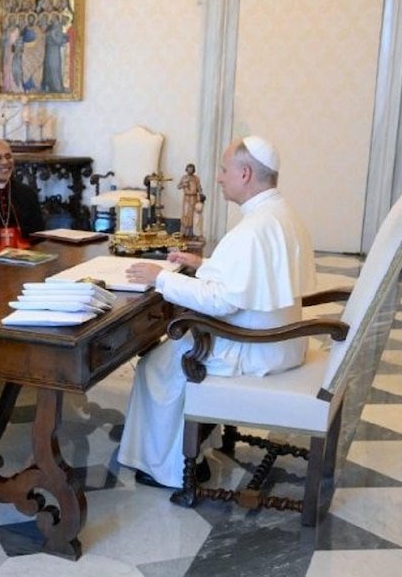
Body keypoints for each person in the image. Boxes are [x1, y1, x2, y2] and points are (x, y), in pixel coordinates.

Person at [117, 136, 316, 490]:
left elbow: (221, 302)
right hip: (281, 340)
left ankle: (171, 469)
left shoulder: (252, 229)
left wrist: (160, 277)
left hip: (253, 346)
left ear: (245, 173)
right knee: (168, 355)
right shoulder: (281, 211)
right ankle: (194, 446)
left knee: (156, 365)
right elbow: (250, 276)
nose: (219, 178)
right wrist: (204, 264)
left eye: (225, 170)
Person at [178, 163, 205, 238]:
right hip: (187, 198)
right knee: (186, 214)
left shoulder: (196, 178)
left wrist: (201, 194)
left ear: (194, 170)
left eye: (192, 169)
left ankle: (193, 233)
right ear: (186, 169)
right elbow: (178, 186)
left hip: (194, 198)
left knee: (193, 215)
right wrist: (184, 184)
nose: (190, 170)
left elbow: (199, 188)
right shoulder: (184, 177)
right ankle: (184, 232)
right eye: (189, 169)